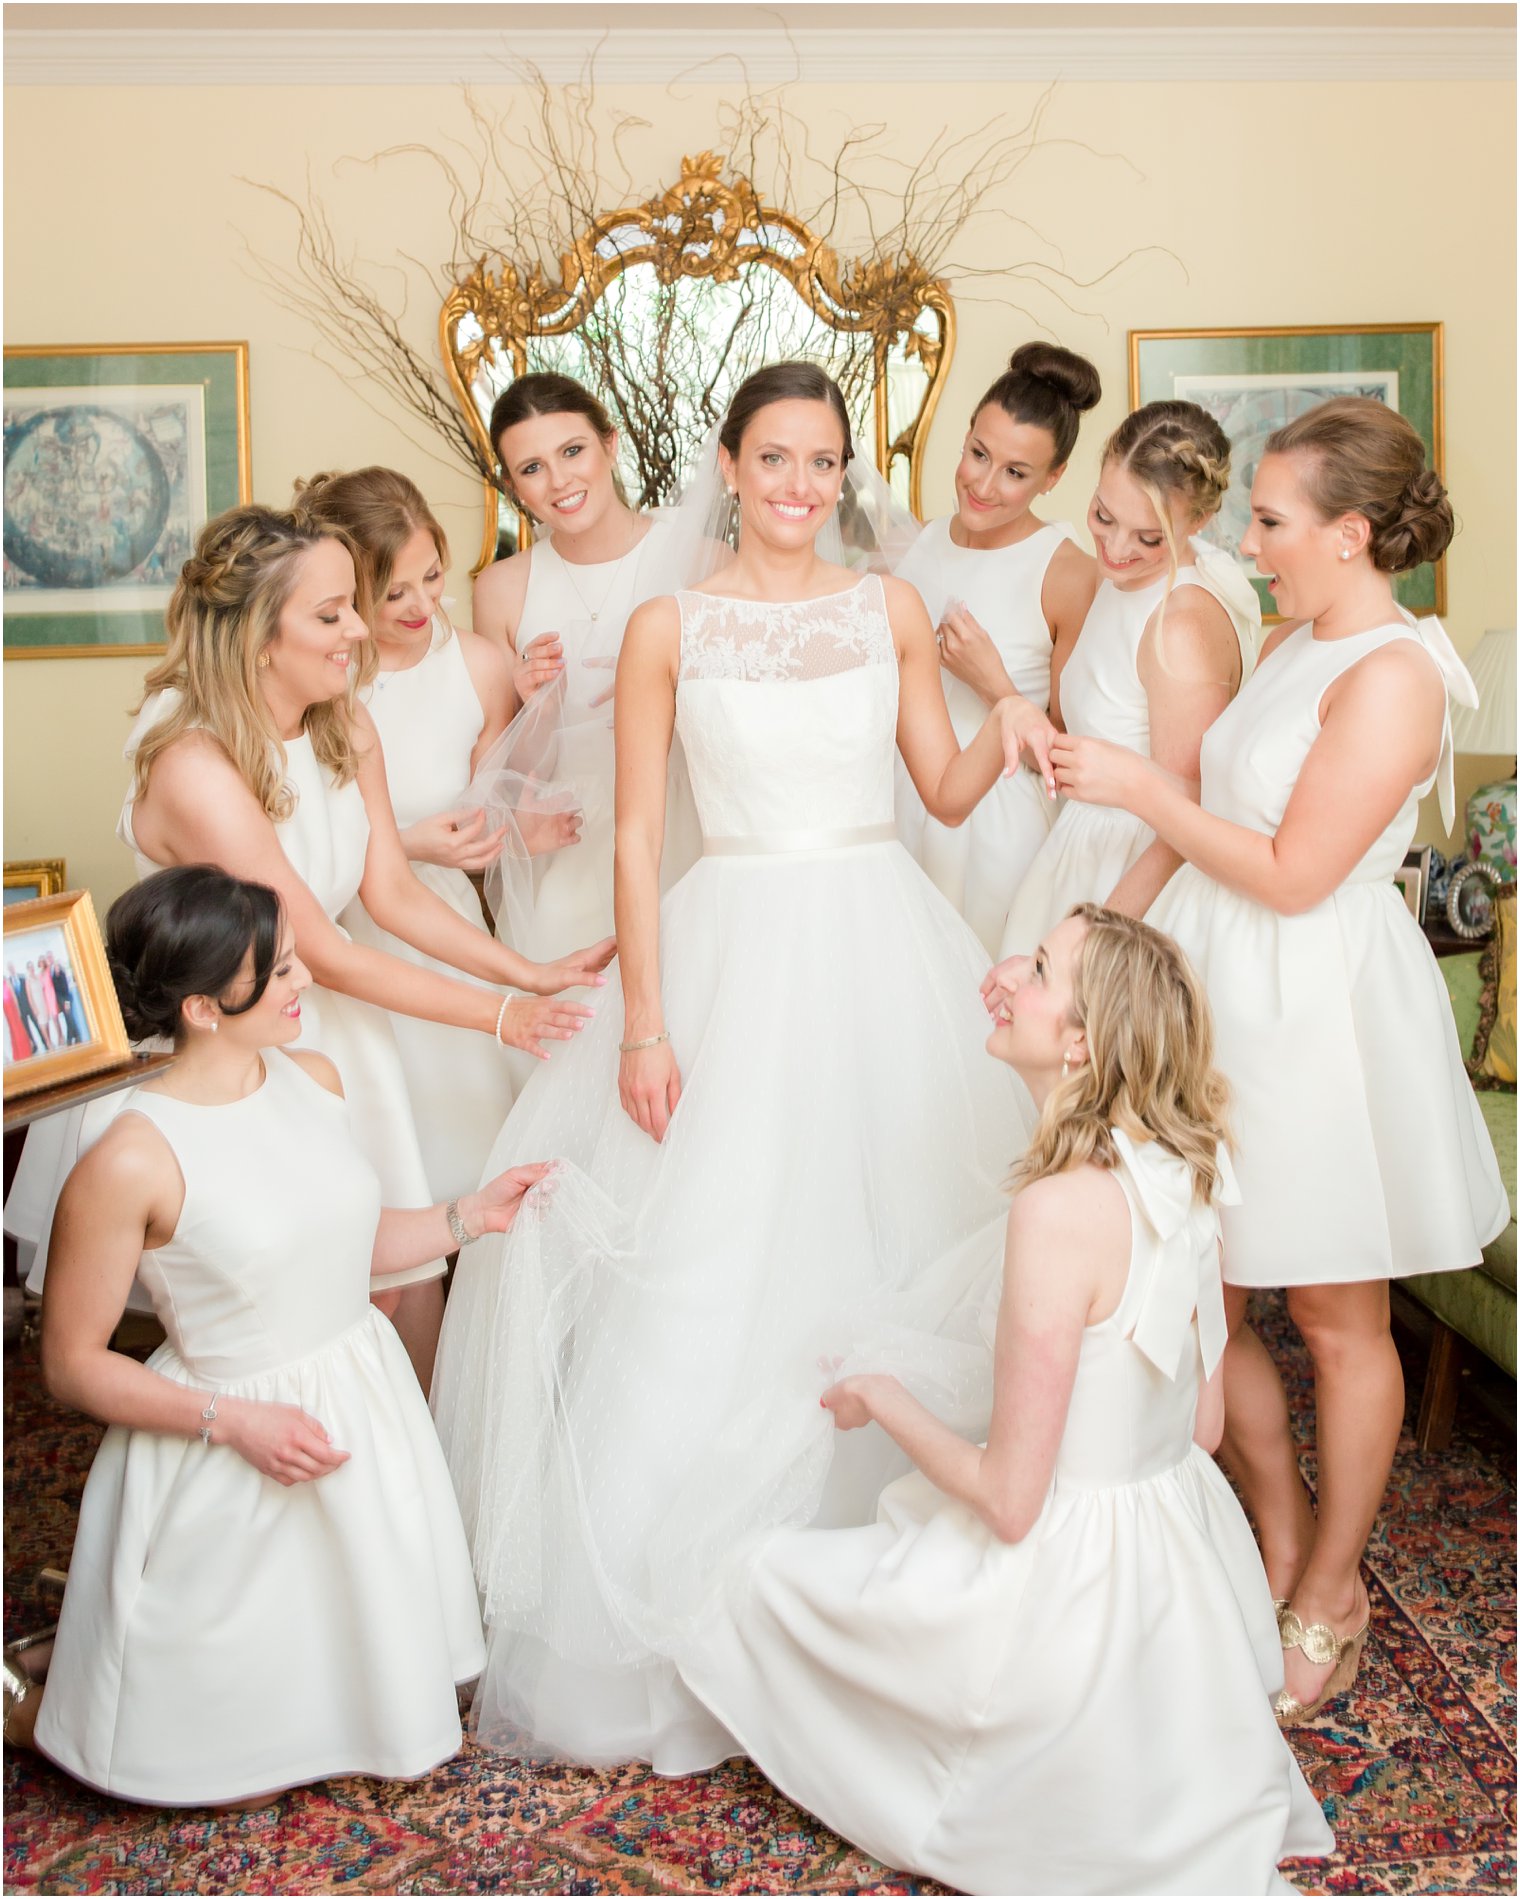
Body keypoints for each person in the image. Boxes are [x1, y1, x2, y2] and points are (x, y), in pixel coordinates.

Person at [432, 362, 1039, 1772]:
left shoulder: (884, 606)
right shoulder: (666, 625)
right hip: (730, 949)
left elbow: (940, 789)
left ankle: (901, 1623)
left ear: (844, 474)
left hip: (883, 936)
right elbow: (641, 840)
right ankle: (678, 1635)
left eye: (825, 462)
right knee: (710, 1260)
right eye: (777, 457)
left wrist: (1006, 713)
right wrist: (646, 1022)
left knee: (898, 1227)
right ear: (726, 459)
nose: (801, 485)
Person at [674, 905, 1334, 1894]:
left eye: (1035, 968)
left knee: (746, 1585)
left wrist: (883, 1399)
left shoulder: (1057, 1208)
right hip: (1179, 1576)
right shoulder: (1182, 1168)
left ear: (1077, 1040)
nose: (1007, 977)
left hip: (1062, 1600)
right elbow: (1200, 1431)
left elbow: (1013, 1503)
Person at [1047, 397, 1510, 1721]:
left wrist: (1142, 789)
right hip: (1219, 988)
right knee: (1205, 1290)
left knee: (1333, 1317)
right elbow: (1228, 811)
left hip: (1314, 1012)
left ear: (1352, 530)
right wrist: (1107, 931)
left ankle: (1330, 1585)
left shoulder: (1397, 673)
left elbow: (1300, 872)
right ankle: (1284, 1520)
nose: (1246, 542)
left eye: (1269, 518)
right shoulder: (1300, 636)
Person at [5, 504, 609, 1390]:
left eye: (351, 606)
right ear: (258, 637)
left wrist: (528, 969)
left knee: (406, 1283)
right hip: (231, 1039)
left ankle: (412, 1489)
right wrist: (503, 1016)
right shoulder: (198, 768)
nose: (360, 631)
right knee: (303, 1300)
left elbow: (392, 891)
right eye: (331, 614)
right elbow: (318, 947)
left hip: (329, 1028)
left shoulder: (341, 723)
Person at [1, 866, 550, 1804]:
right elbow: (70, 1364)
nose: (307, 982)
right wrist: (235, 1422)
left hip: (355, 1407)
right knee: (222, 1776)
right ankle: (26, 1705)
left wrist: (470, 1216)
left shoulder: (313, 1078)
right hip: (225, 1439)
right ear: (205, 1007)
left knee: (351, 1707)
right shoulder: (129, 1155)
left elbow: (340, 1245)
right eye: (284, 971)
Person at [296, 466, 573, 1199]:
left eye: (431, 577)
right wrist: (410, 842)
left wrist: (538, 712)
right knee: (370, 1164)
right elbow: (295, 825)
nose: (423, 605)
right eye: (394, 593)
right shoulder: (319, 679)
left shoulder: (478, 666)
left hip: (443, 927)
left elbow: (493, 804)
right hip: (341, 927)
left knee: (463, 1150)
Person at [986, 399, 1260, 969]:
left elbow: (1199, 817)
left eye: (1149, 537)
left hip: (1135, 890)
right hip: (1082, 853)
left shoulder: (1180, 624)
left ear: (1200, 522)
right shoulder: (1120, 584)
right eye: (1103, 516)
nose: (1114, 548)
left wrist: (1098, 942)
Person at [467, 374, 699, 999]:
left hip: (680, 835)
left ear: (610, 445)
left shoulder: (700, 560)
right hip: (567, 851)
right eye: (532, 468)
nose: (560, 481)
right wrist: (531, 704)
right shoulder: (500, 589)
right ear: (512, 485)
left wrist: (666, 699)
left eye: (573, 451)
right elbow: (498, 775)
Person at [894, 343, 1100, 953]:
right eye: (978, 454)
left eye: (1015, 472)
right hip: (905, 804)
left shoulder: (1066, 573)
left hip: (997, 834)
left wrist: (996, 687)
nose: (983, 485)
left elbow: (1074, 762)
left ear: (1053, 478)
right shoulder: (920, 545)